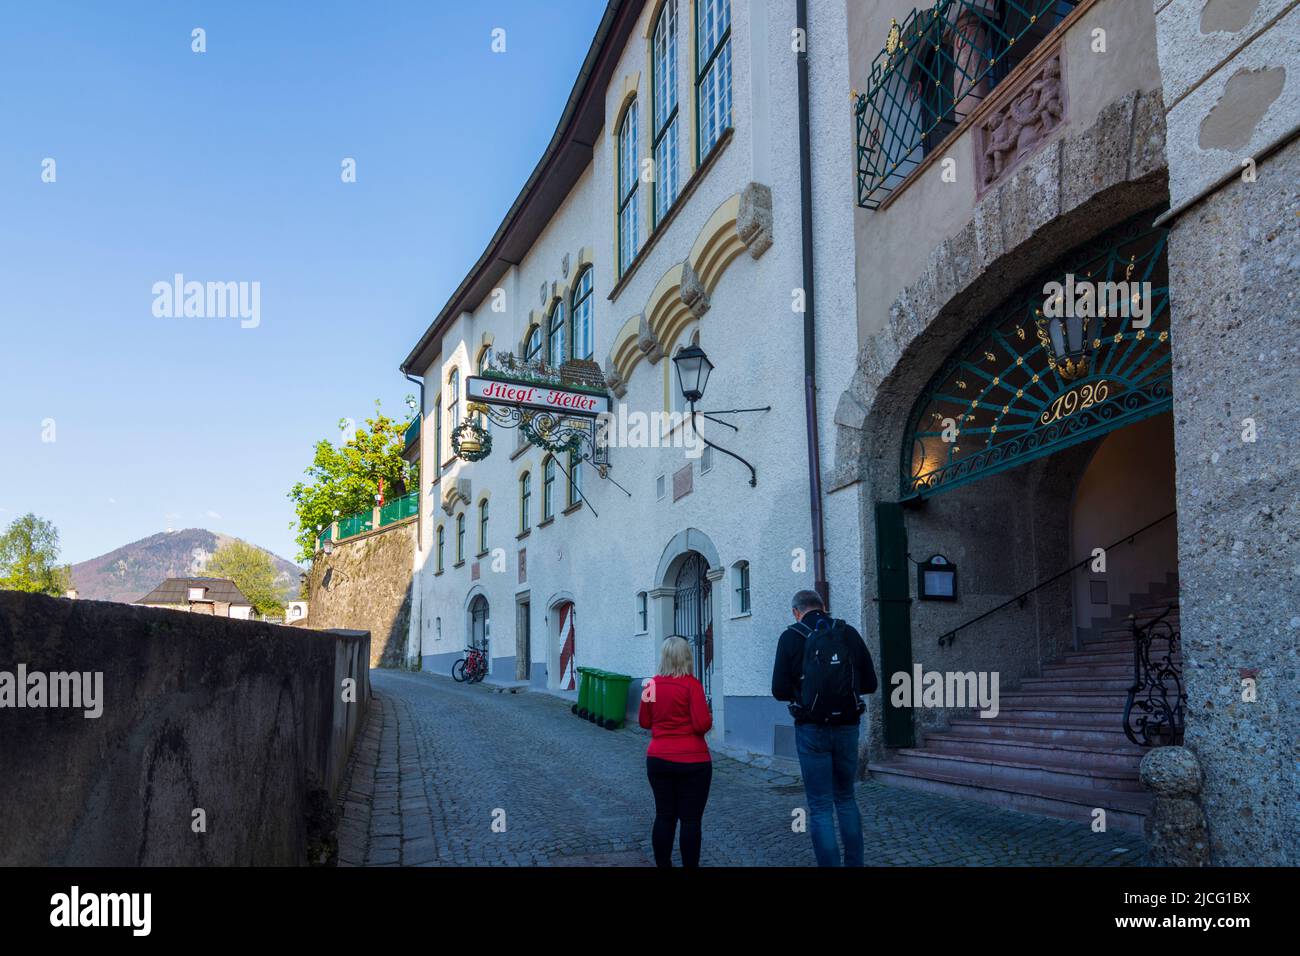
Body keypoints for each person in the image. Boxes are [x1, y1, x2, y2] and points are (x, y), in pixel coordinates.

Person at [771, 589, 877, 867]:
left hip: (811, 729)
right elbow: (870, 684)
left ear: (796, 612)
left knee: (819, 807)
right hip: (847, 726)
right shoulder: (848, 633)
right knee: (846, 798)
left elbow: (779, 690)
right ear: (824, 607)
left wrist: (804, 690)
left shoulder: (791, 636)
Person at [638, 635, 713, 867]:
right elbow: (702, 725)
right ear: (686, 657)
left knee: (664, 815)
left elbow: (643, 721)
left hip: (659, 758)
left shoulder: (650, 685)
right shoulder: (693, 685)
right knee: (690, 820)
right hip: (693, 760)